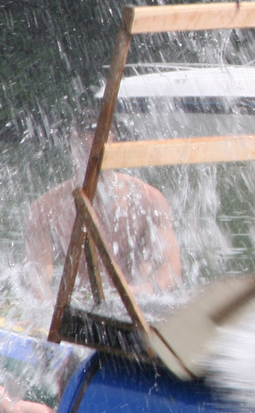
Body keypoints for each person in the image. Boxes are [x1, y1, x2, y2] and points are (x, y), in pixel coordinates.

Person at [24, 126, 183, 303]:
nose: (94, 162)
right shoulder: (45, 209)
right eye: (86, 152)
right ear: (72, 152)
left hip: (137, 305)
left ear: (116, 151)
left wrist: (142, 291)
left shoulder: (148, 199)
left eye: (102, 153)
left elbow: (172, 269)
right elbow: (38, 275)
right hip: (82, 307)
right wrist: (46, 309)